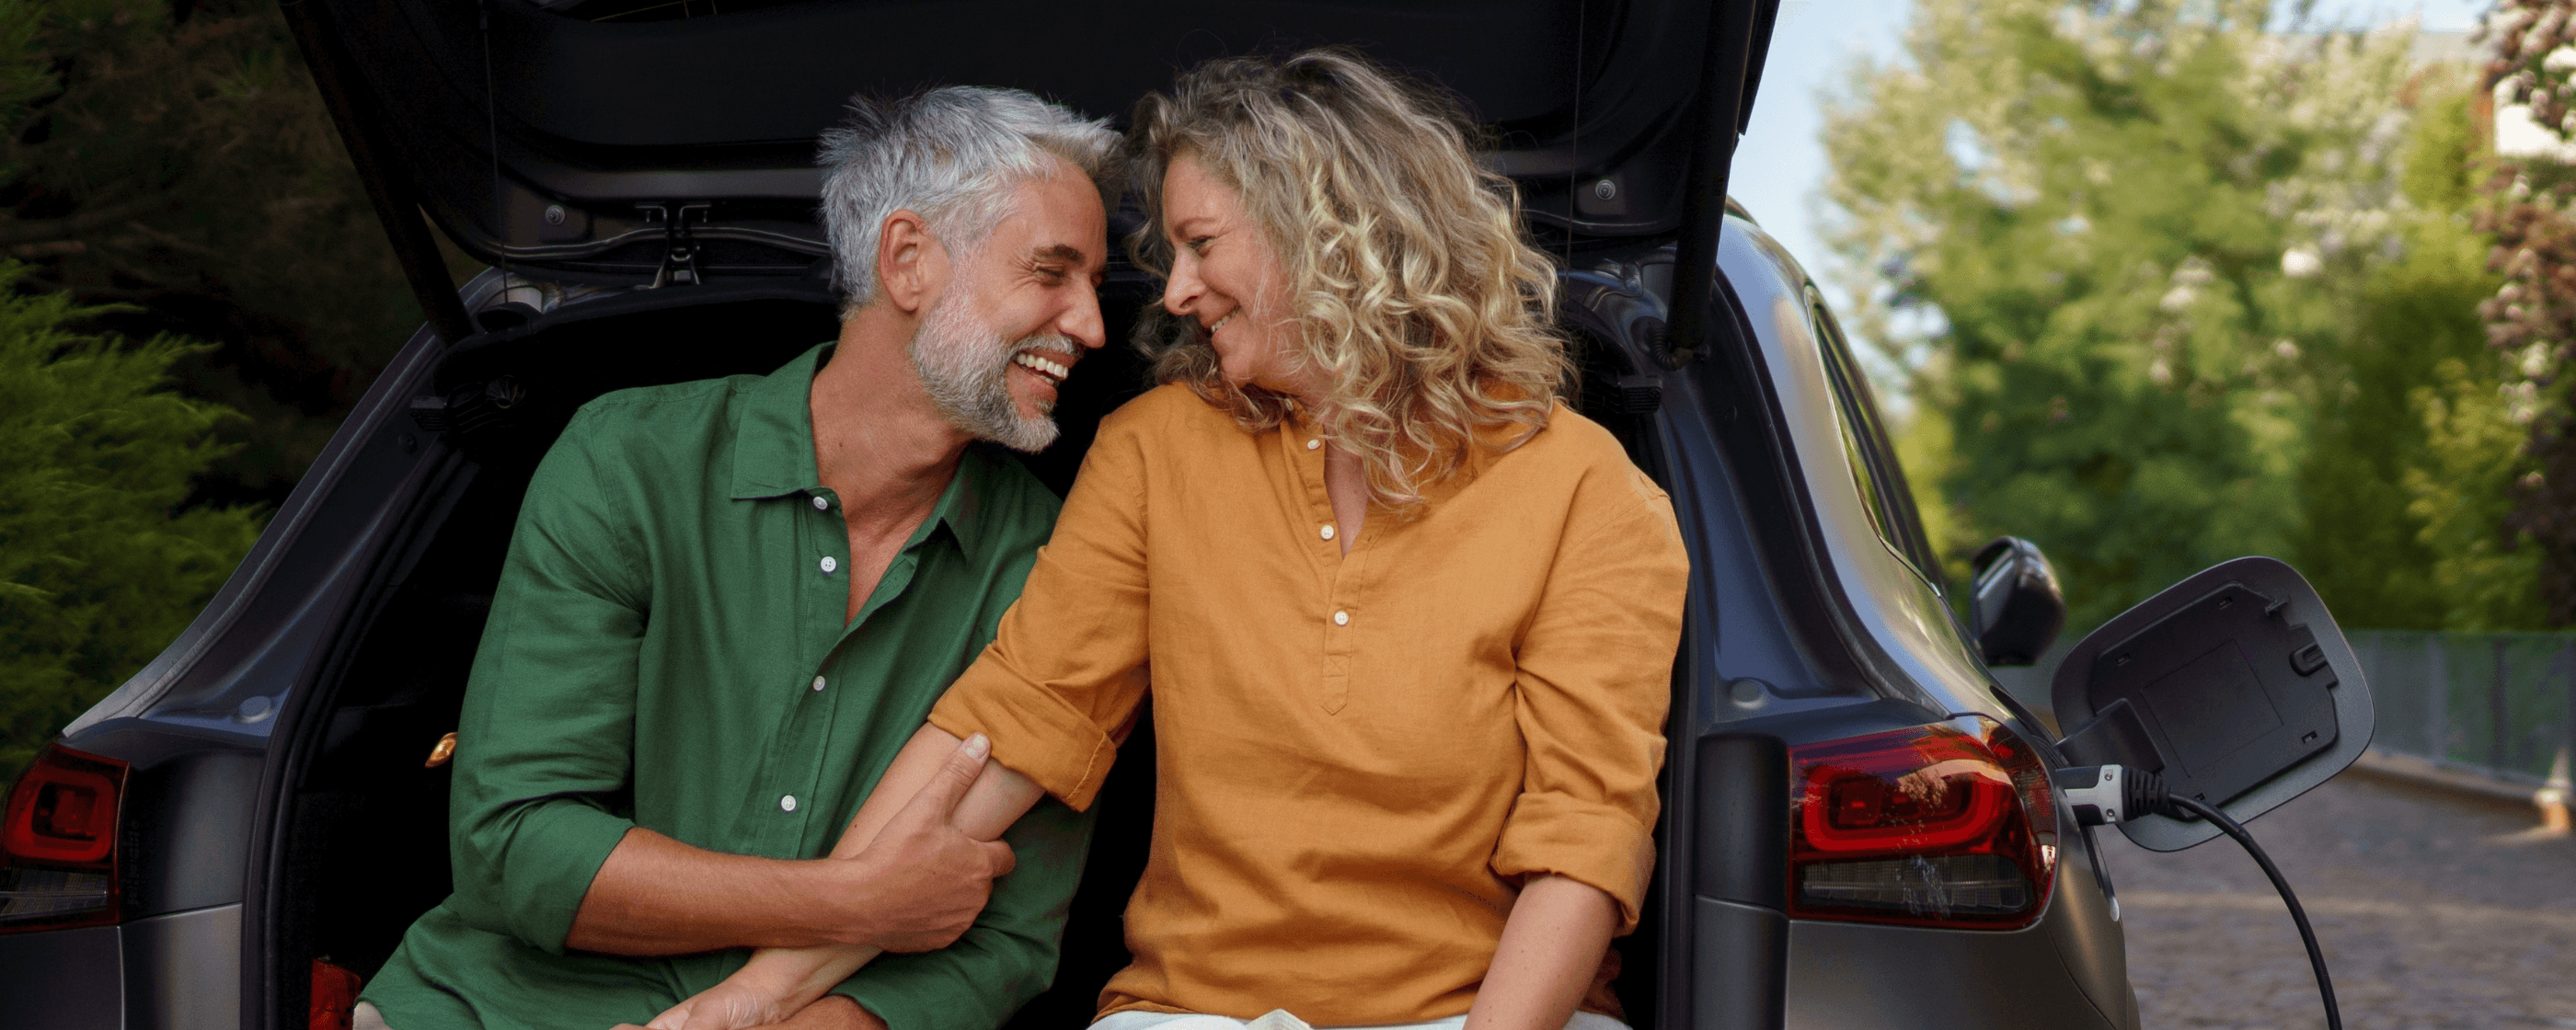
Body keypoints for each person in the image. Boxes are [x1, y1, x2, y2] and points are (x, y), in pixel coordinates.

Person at [664, 48, 1688, 1030]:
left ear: (1324, 233)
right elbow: (1015, 725)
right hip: (1193, 1014)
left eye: (1202, 245)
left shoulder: (1588, 492)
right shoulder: (1156, 449)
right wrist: (752, 998)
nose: (1176, 293)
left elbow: (1582, 842)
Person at [352, 86, 1120, 1030]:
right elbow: (516, 846)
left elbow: (1003, 945)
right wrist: (856, 900)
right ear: (909, 261)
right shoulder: (627, 463)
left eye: (1092, 284)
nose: (1090, 324)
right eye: (1052, 271)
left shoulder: (1057, 560)